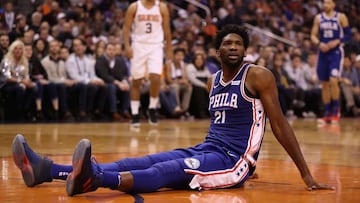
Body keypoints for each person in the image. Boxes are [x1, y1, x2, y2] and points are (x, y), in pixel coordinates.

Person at [12, 25, 334, 197]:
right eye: (228, 43)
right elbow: (231, 125)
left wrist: (303, 172)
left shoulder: (259, 75)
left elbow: (277, 125)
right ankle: (47, 170)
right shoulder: (212, 81)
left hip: (232, 163)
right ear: (217, 50)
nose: (234, 47)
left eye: (240, 44)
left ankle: (93, 180)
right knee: (144, 160)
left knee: (163, 174)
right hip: (210, 150)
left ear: (245, 50)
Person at [123, 0, 172, 126]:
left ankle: (152, 108)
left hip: (156, 45)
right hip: (138, 45)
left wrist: (169, 50)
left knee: (156, 77)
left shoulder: (161, 7)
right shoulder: (134, 7)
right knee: (136, 80)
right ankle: (135, 113)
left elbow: (167, 30)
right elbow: (126, 28)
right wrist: (127, 46)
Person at [310, 0, 351, 124]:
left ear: (333, 4)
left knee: (334, 80)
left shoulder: (341, 17)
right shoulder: (318, 18)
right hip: (323, 52)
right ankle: (327, 113)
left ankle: (336, 111)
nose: (325, 5)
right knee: (324, 83)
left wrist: (337, 41)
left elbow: (348, 34)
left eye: (328, 3)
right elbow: (313, 35)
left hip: (336, 52)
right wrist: (319, 43)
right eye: (324, 3)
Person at [95, 43, 131, 121]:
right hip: (104, 82)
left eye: (113, 50)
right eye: (109, 49)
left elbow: (124, 74)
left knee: (128, 86)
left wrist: (124, 81)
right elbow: (104, 75)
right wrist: (118, 83)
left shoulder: (119, 60)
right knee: (111, 87)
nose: (111, 51)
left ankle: (125, 110)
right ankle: (113, 111)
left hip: (118, 83)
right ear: (105, 50)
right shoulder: (101, 60)